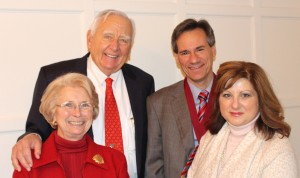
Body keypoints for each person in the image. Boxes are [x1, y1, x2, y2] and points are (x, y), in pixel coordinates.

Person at [11, 9, 155, 178]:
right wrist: (30, 137)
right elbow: (37, 128)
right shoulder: (54, 76)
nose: (115, 46)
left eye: (123, 40)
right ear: (90, 39)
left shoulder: (143, 82)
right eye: (108, 36)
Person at [187, 61, 298, 178]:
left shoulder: (277, 149)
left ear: (261, 99)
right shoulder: (209, 138)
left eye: (245, 95)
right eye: (227, 95)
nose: (235, 105)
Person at [13, 73, 129, 178]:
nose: (77, 113)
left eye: (85, 105)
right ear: (53, 112)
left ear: (93, 111)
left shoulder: (115, 160)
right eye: (68, 105)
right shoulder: (28, 161)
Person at [144, 18, 217, 178]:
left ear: (213, 51)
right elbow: (153, 167)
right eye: (185, 52)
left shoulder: (236, 97)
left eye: (200, 49)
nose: (193, 59)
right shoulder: (158, 103)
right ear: (177, 59)